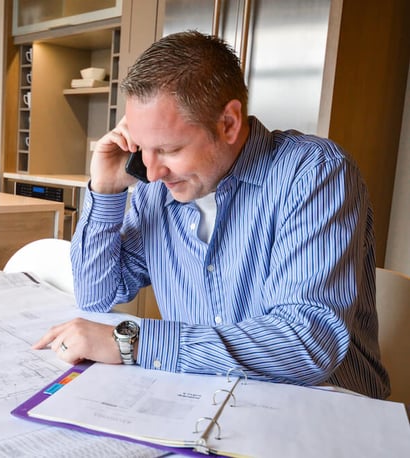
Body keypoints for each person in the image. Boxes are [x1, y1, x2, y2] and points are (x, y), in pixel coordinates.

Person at [33, 31, 390, 399]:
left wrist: (135, 343)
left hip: (325, 411)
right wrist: (106, 189)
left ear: (230, 123)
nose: (151, 172)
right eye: (142, 148)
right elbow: (96, 295)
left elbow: (306, 344)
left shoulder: (315, 174)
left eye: (169, 149)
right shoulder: (158, 189)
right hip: (206, 401)